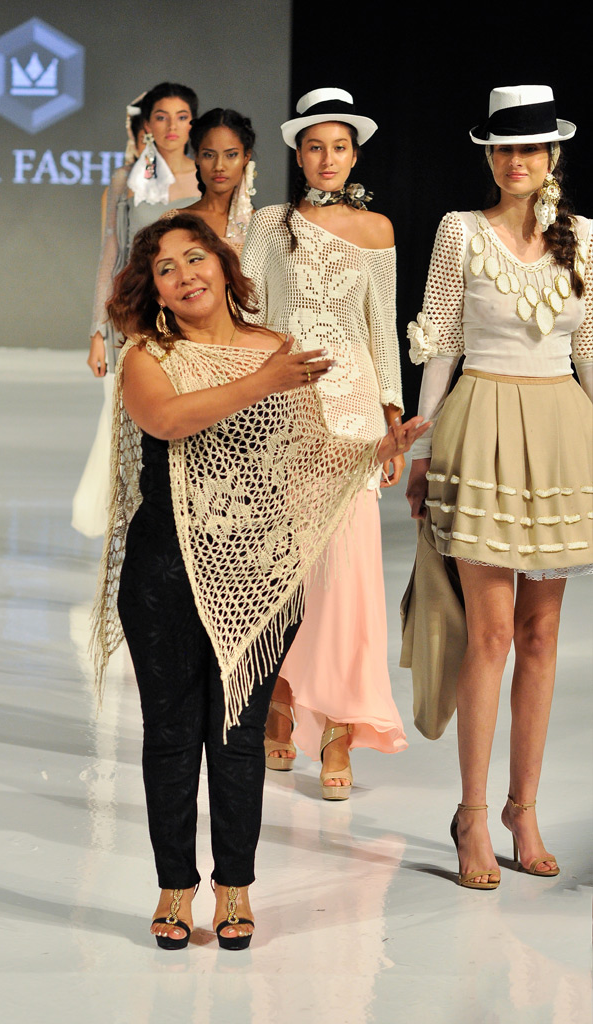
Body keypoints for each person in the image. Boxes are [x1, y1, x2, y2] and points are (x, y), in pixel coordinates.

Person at [89, 213, 428, 948]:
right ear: (153, 290)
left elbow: (306, 453)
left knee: (238, 732)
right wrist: (263, 381)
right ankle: (175, 887)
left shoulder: (276, 349)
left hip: (257, 569)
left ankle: (235, 888)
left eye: (195, 258)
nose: (185, 275)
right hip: (165, 571)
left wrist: (375, 450)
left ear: (222, 263)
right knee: (171, 733)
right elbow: (168, 420)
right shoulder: (149, 354)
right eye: (165, 269)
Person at [405, 85, 592, 889]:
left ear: (551, 155)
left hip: (560, 434)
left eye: (530, 147)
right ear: (488, 156)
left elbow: (589, 347)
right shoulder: (459, 231)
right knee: (489, 635)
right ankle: (472, 815)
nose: (516, 160)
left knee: (541, 635)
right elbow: (440, 342)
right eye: (503, 148)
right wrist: (420, 448)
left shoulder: (583, 238)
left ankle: (523, 809)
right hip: (479, 425)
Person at [241, 88, 408, 798]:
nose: (327, 158)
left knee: (347, 575)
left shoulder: (376, 229)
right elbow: (246, 312)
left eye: (339, 147)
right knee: (285, 568)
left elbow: (381, 326)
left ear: (354, 155)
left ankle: (338, 729)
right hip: (282, 409)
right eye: (315, 147)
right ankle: (279, 700)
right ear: (298, 153)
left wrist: (393, 420)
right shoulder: (268, 224)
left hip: (352, 415)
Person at [72, 83, 199, 538]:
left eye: (181, 116)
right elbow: (111, 254)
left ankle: (170, 524)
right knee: (121, 423)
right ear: (146, 125)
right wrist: (97, 330)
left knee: (179, 423)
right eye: (161, 117)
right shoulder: (127, 181)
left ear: (192, 123)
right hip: (134, 321)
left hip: (189, 321)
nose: (172, 126)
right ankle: (115, 521)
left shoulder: (206, 178)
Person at [161, 107, 256, 255]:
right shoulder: (175, 222)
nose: (219, 166)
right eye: (209, 155)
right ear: (197, 157)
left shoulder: (262, 225)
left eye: (231, 155)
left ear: (246, 157)